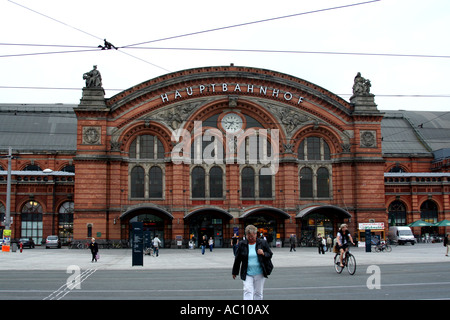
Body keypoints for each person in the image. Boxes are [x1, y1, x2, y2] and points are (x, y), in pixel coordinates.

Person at [232, 225, 273, 300]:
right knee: (247, 290)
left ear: (256, 234)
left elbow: (270, 254)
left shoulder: (262, 243)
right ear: (246, 235)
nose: (250, 238)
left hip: (260, 272)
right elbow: (237, 259)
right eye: (248, 236)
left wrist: (263, 253)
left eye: (252, 236)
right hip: (247, 272)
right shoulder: (242, 244)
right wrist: (235, 272)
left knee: (258, 292)